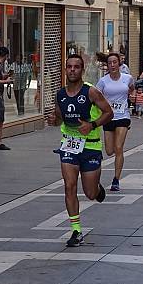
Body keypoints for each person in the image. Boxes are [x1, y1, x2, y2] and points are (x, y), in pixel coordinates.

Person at [47, 54, 113, 247]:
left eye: (76, 67)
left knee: (90, 193)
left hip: (91, 145)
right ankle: (76, 231)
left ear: (82, 70)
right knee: (69, 186)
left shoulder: (91, 92)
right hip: (69, 145)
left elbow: (109, 113)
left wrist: (92, 125)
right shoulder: (60, 94)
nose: (72, 70)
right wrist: (54, 121)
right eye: (69, 67)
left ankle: (98, 189)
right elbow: (60, 117)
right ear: (65, 69)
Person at [96, 53, 135, 191]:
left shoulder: (127, 78)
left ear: (119, 64)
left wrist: (131, 96)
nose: (112, 65)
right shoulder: (103, 81)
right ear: (107, 65)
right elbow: (95, 97)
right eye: (110, 63)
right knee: (109, 151)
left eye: (115, 62)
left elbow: (131, 88)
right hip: (108, 118)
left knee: (119, 148)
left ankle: (116, 180)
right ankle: (116, 177)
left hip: (123, 117)